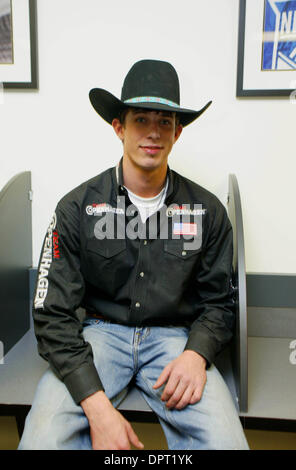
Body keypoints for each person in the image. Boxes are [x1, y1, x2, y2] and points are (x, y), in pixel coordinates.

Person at [18, 59, 249, 450]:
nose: (154, 133)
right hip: (98, 338)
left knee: (227, 443)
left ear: (178, 132)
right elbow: (51, 313)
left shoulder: (207, 212)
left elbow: (220, 304)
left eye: (165, 122)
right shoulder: (77, 209)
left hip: (176, 340)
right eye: (141, 120)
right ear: (119, 128)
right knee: (42, 439)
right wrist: (98, 408)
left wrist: (197, 354)